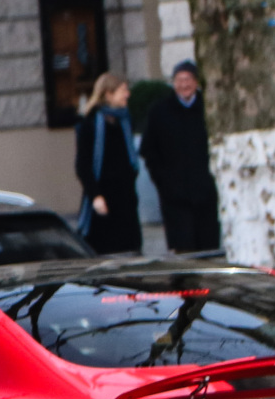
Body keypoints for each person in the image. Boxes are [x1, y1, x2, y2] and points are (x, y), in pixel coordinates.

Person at [141, 59, 222, 254]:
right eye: (179, 80)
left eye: (188, 79)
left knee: (208, 250)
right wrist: (163, 182)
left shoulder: (209, 108)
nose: (184, 85)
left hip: (206, 195)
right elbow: (149, 150)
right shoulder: (159, 111)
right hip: (175, 197)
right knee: (183, 251)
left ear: (196, 82)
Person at [73, 72, 142, 255]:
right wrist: (95, 196)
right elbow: (83, 166)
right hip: (103, 203)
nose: (127, 94)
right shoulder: (89, 124)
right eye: (123, 90)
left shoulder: (125, 121)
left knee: (131, 253)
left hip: (126, 201)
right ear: (108, 94)